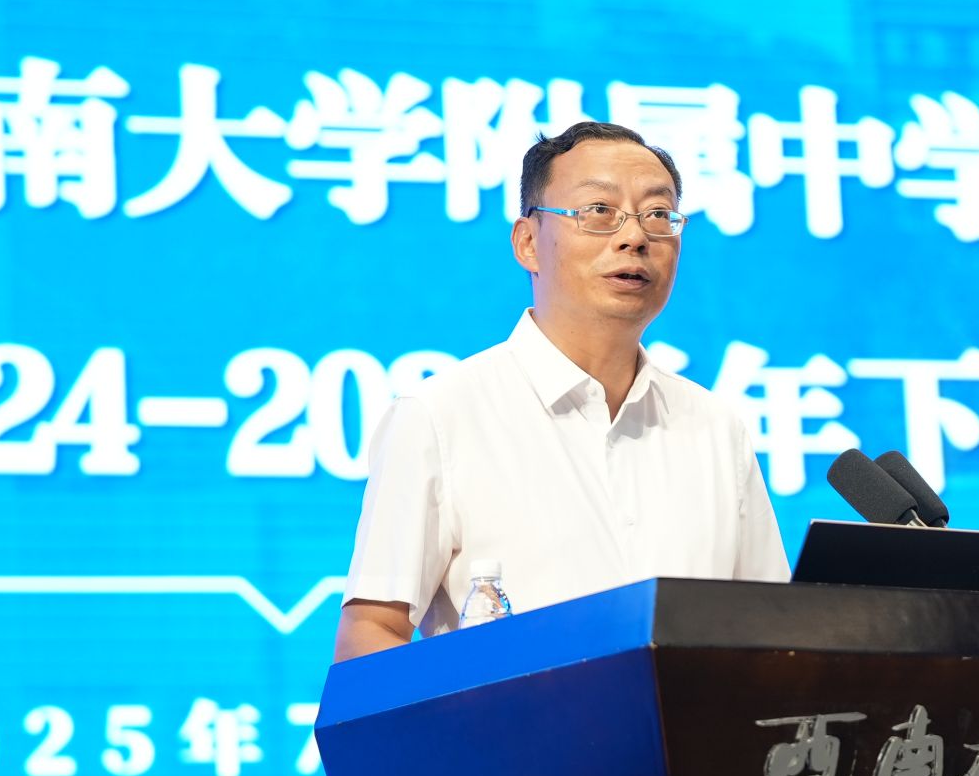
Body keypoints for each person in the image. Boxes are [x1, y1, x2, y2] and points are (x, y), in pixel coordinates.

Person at [332, 121, 790, 661]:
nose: (635, 237)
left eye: (657, 214)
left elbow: (774, 632)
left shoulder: (715, 427)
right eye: (598, 211)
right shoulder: (439, 417)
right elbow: (367, 636)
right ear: (528, 243)